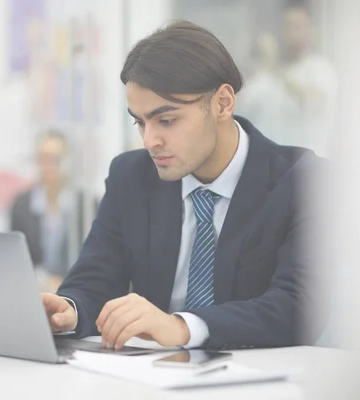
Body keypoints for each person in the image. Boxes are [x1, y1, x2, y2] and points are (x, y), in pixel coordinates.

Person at [41, 21, 325, 351]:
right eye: (140, 122)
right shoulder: (130, 177)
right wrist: (69, 311)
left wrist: (183, 327)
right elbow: (94, 281)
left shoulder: (303, 181)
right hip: (150, 379)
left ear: (222, 103)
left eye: (166, 120)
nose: (149, 141)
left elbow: (297, 309)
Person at [9, 131, 90, 291]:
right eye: (43, 158)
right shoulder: (22, 205)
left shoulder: (86, 205)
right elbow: (14, 258)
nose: (48, 165)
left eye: (55, 159)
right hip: (33, 290)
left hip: (77, 291)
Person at [280, 0, 337, 155]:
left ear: (310, 29)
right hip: (287, 164)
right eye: (287, 26)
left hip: (314, 165)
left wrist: (285, 81)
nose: (291, 33)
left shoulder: (321, 68)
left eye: (297, 26)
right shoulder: (287, 70)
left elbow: (315, 100)